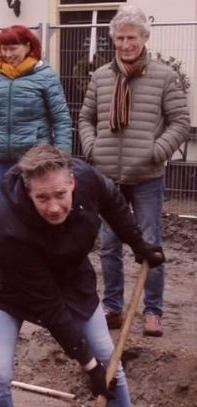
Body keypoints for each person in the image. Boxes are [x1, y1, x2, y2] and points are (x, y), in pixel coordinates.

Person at [0, 144, 164, 407]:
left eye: (60, 195)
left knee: (112, 364)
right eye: (42, 198)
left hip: (70, 280)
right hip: (8, 291)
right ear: (28, 191)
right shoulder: (11, 229)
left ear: (73, 183)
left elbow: (114, 204)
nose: (53, 207)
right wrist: (88, 367)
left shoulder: (90, 180)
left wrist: (138, 243)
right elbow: (50, 309)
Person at [79, 5, 190, 338]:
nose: (126, 44)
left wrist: (155, 152)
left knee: (150, 243)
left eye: (132, 37)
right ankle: (113, 306)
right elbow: (85, 118)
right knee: (110, 243)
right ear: (113, 38)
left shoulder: (163, 77)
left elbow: (180, 122)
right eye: (120, 38)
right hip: (108, 175)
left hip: (147, 177)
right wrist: (91, 148)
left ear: (145, 38)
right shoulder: (100, 77)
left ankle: (153, 311)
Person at [0, 25, 72, 207]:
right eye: (4, 49)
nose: (8, 54)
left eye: (13, 48)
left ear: (28, 47)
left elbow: (61, 121)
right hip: (0, 163)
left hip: (36, 164)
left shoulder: (46, 77)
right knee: (3, 216)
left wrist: (61, 163)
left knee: (34, 216)